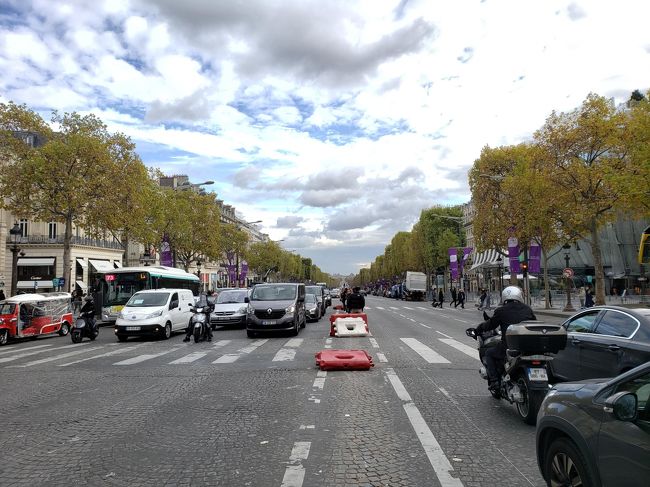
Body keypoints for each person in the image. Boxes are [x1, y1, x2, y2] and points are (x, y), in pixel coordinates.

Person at [473, 286, 536, 392]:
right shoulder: (527, 309)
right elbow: (534, 323)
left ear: (504, 297)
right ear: (519, 296)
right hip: (527, 346)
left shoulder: (501, 311)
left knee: (489, 354)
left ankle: (494, 382)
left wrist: (479, 329)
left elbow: (490, 325)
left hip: (509, 346)